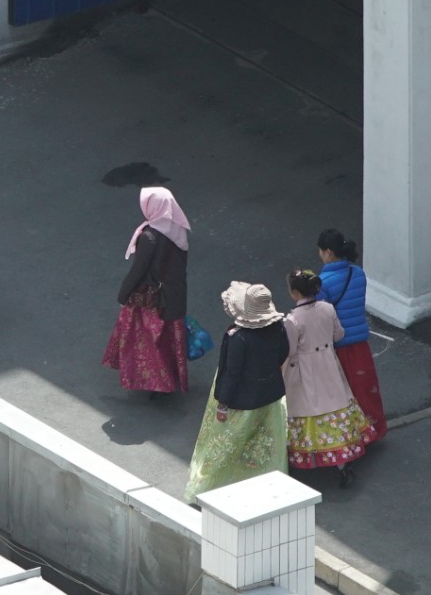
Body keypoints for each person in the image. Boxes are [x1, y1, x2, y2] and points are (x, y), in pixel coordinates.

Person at [183, 282, 288, 500]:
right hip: (270, 394)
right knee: (263, 442)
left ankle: (209, 488)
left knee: (228, 443)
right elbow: (283, 353)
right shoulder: (277, 328)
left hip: (241, 399)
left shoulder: (239, 337)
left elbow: (232, 373)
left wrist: (223, 404)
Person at [284, 269, 377, 488]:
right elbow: (339, 335)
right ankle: (343, 462)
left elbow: (290, 350)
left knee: (308, 408)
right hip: (329, 363)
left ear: (295, 293)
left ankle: (308, 455)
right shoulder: (327, 308)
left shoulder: (293, 319)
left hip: (306, 369)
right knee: (337, 402)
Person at [103, 186, 190, 398]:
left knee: (150, 342)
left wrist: (123, 294)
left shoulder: (149, 237)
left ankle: (158, 383)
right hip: (174, 295)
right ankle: (171, 378)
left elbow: (138, 270)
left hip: (152, 298)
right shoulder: (178, 229)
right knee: (169, 338)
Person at [317, 228, 387, 440]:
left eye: (321, 251)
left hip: (339, 345)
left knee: (345, 392)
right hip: (360, 343)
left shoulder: (323, 282)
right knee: (366, 388)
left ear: (328, 252)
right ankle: (376, 428)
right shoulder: (357, 273)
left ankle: (355, 436)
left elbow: (323, 316)